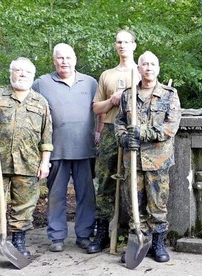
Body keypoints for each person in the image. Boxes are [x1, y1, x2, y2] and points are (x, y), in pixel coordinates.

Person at [0, 57, 53, 267]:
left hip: (28, 164)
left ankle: (18, 244)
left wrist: (45, 163)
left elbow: (47, 137)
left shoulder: (40, 102)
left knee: (24, 208)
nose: (22, 74)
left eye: (27, 71)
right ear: (11, 73)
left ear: (32, 76)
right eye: (18, 70)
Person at [116, 51, 181, 263]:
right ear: (139, 68)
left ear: (158, 68)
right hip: (133, 162)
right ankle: (139, 242)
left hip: (157, 162)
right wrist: (126, 138)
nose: (149, 67)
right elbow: (119, 124)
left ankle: (158, 244)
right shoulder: (128, 96)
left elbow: (170, 127)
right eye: (145, 64)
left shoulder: (169, 94)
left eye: (153, 64)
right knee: (134, 205)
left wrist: (142, 133)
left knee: (157, 206)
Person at [32, 43, 99, 253]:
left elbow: (100, 109)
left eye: (68, 58)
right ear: (54, 60)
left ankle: (84, 235)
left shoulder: (90, 83)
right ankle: (57, 236)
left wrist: (99, 131)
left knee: (86, 195)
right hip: (55, 150)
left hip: (85, 148)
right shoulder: (41, 83)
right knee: (56, 195)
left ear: (75, 59)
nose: (64, 62)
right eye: (60, 58)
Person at [89, 29, 138, 254]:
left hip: (134, 132)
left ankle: (132, 231)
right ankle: (102, 232)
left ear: (134, 45)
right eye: (119, 41)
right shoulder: (107, 75)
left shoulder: (142, 71)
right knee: (105, 182)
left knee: (134, 183)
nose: (122, 45)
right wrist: (112, 99)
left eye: (126, 41)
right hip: (110, 131)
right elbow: (96, 107)